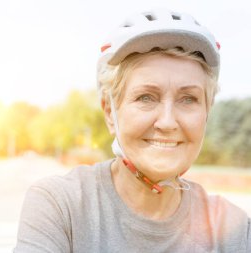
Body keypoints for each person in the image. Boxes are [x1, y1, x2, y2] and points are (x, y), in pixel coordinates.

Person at [14, 9, 251, 253]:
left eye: (188, 99)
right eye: (146, 97)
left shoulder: (232, 228)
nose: (167, 122)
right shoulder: (60, 205)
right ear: (109, 112)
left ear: (206, 113)